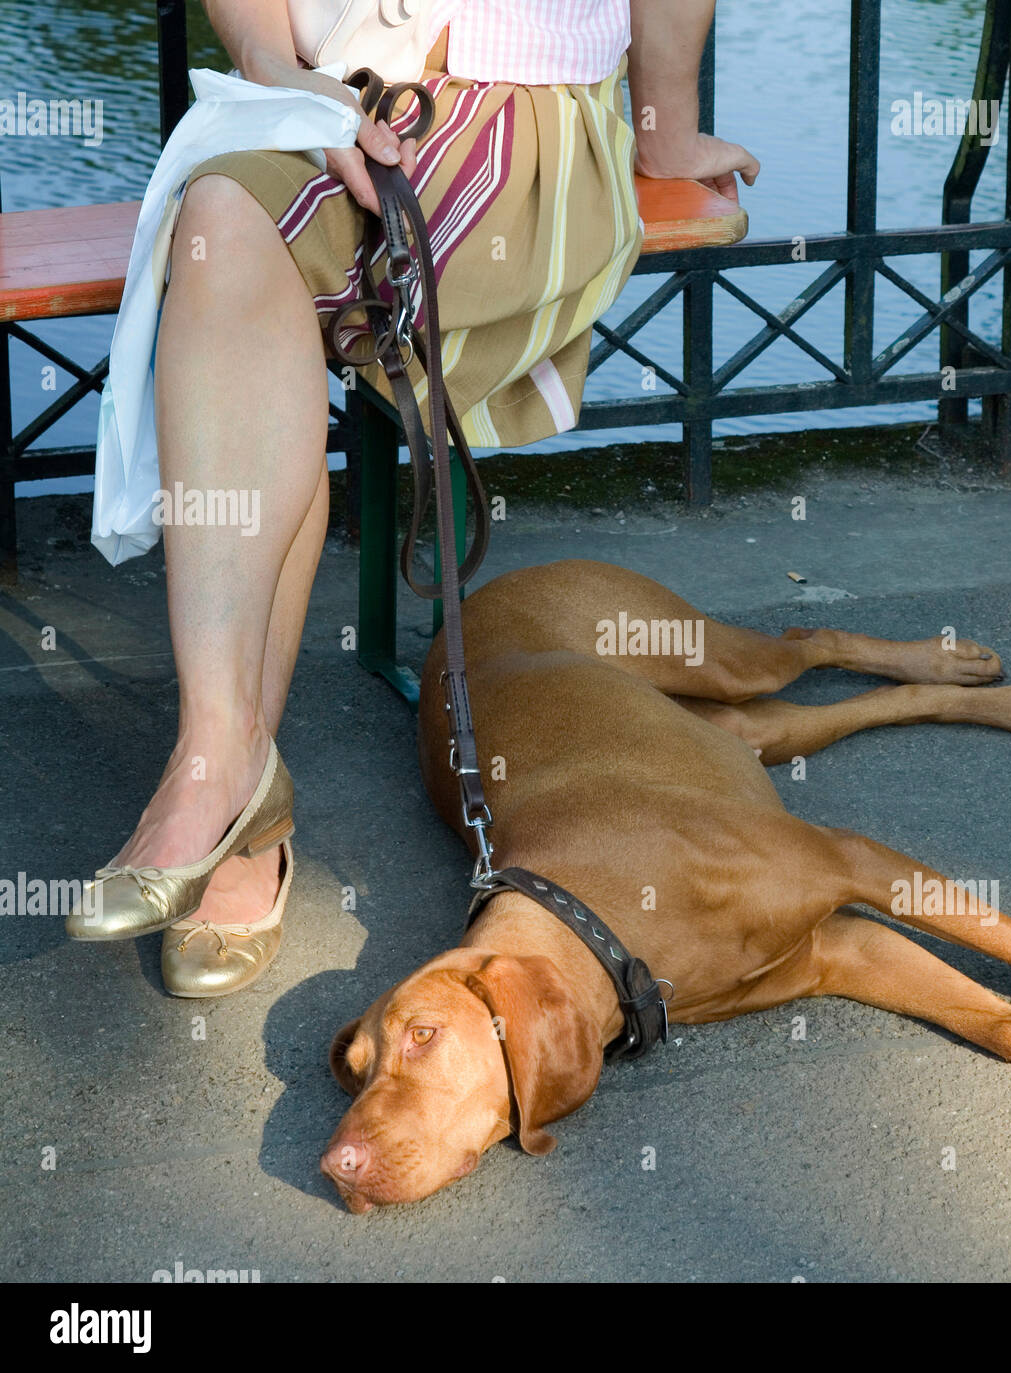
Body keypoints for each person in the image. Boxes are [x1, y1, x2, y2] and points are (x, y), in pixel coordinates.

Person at [66, 0, 759, 997]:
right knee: (224, 218)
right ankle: (220, 759)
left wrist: (665, 124)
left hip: (519, 124)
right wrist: (269, 59)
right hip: (321, 98)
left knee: (258, 274)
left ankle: (222, 792)